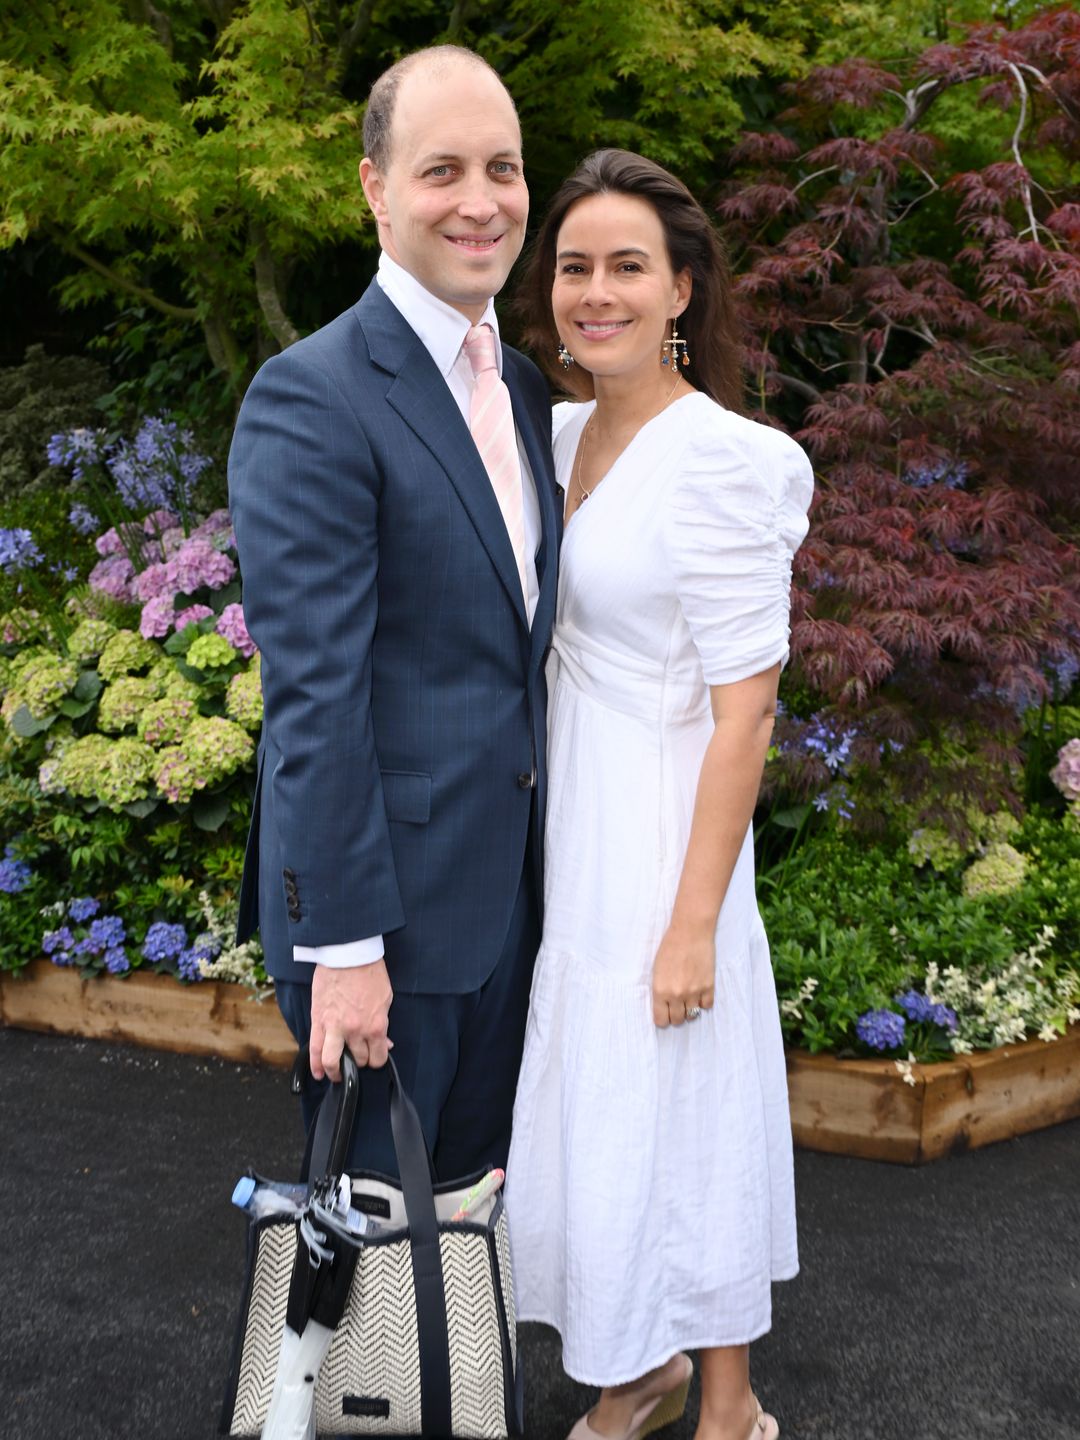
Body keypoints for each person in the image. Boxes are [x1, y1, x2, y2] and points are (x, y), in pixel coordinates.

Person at [506, 149, 812, 1440]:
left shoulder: (726, 461)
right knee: (600, 1107)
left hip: (669, 830)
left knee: (686, 1104)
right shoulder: (557, 432)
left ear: (683, 289)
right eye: (575, 266)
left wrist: (696, 920)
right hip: (576, 822)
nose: (597, 291)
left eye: (628, 266)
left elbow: (748, 708)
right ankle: (636, 1371)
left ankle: (728, 1401)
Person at [229, 45, 560, 1182]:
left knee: (462, 1248)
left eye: (504, 169)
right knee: (372, 1258)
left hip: (506, 904)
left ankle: (459, 1379)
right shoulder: (313, 397)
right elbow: (315, 697)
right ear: (375, 188)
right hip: (388, 935)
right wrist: (345, 946)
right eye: (442, 170)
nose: (481, 201)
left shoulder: (516, 387)